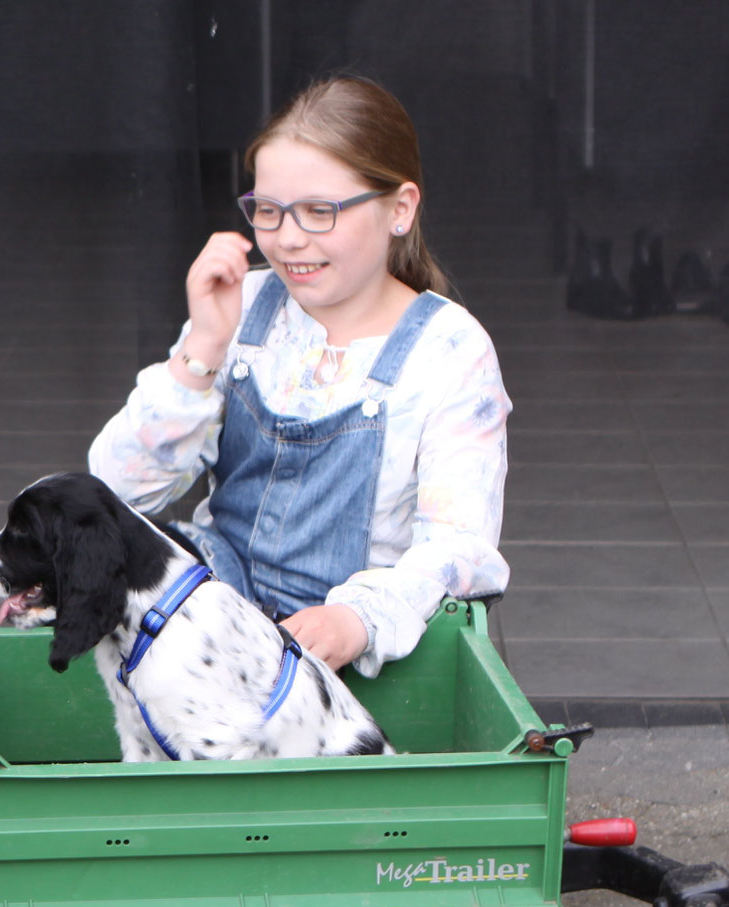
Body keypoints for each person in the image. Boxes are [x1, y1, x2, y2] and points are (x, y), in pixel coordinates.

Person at [89, 75, 509, 677]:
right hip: (215, 633)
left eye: (319, 211)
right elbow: (116, 492)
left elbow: (460, 548)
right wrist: (204, 346)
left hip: (355, 666)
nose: (287, 239)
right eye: (268, 210)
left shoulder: (449, 351)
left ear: (400, 208)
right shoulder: (243, 310)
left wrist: (359, 619)